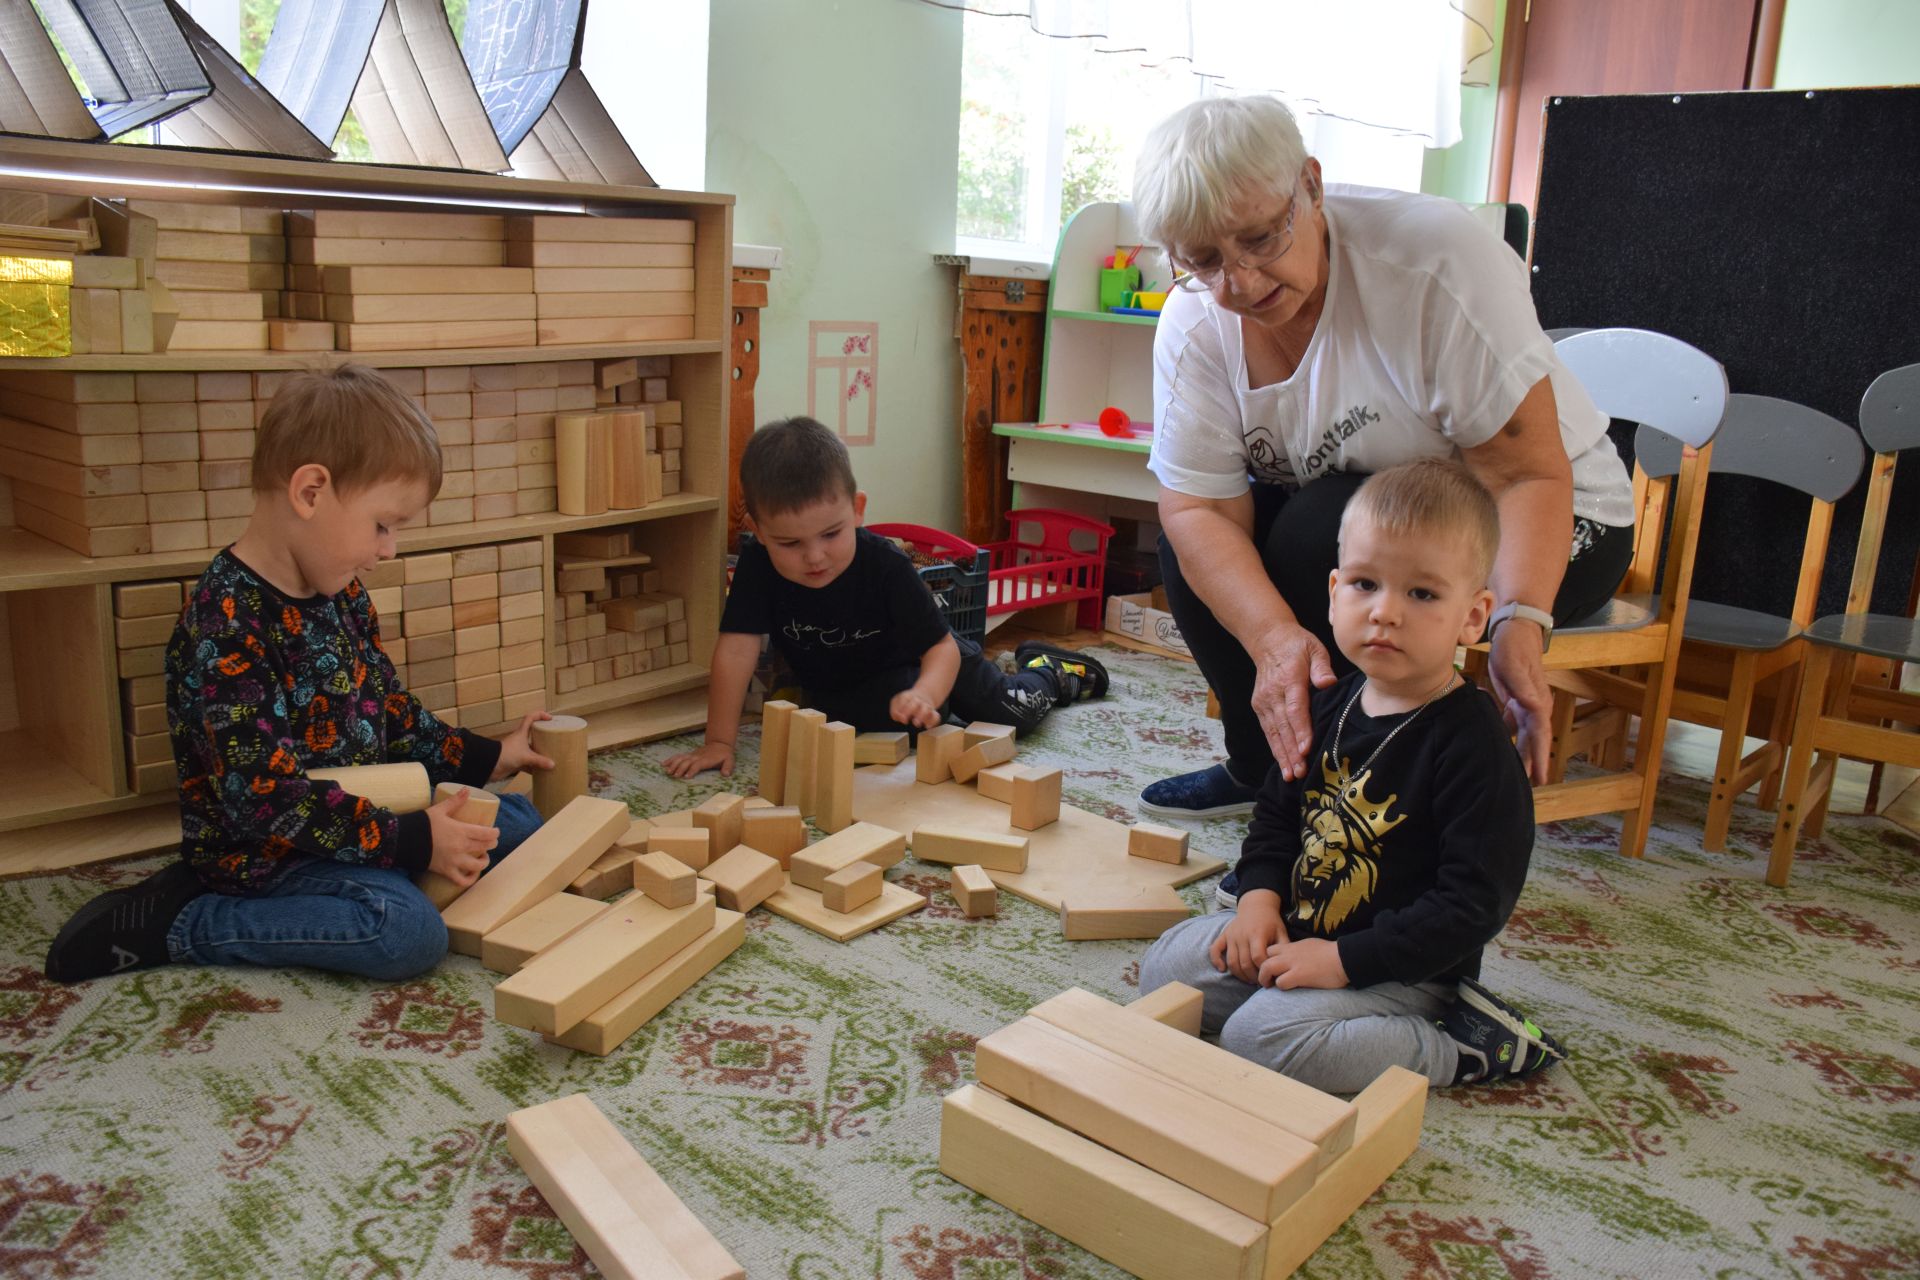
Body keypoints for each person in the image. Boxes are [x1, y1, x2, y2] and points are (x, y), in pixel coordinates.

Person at [1131, 95, 1635, 831]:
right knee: (1200, 539)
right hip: (1365, 509)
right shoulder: (1197, 319)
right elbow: (1198, 508)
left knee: (1324, 534)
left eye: (1262, 239)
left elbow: (1527, 473)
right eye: (1205, 260)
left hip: (1554, 514)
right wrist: (1274, 641)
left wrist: (1519, 620)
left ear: (1311, 185)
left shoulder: (1435, 263)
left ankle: (1350, 808)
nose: (1238, 283)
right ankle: (1266, 769)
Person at [44, 365, 555, 985]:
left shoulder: (340, 592)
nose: (389, 549)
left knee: (522, 824)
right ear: (311, 491)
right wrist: (413, 842)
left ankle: (396, 856)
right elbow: (267, 803)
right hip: (267, 854)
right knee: (404, 931)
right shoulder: (225, 625)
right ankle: (188, 922)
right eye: (383, 525)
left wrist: (486, 757)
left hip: (357, 814)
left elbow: (387, 709)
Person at [1140, 461, 1563, 1091]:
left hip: (1405, 971)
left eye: (1422, 594)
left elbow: (1472, 905)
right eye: (1365, 584)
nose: (1384, 612)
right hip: (1304, 932)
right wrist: (1258, 902)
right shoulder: (1330, 702)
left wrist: (1341, 961)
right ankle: (1298, 1003)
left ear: (1473, 618)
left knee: (1258, 1041)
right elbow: (1277, 818)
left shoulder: (1473, 746)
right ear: (1335, 590)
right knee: (1165, 967)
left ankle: (1465, 1046)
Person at [665, 416, 1107, 780]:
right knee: (854, 731)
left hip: (936, 662)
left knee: (1010, 714)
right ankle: (933, 706)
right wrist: (719, 741)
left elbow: (941, 649)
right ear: (759, 533)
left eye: (832, 534)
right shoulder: (757, 564)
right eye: (789, 544)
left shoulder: (886, 566)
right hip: (855, 684)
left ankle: (1049, 672)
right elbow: (735, 650)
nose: (815, 557)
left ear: (857, 510)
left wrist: (928, 692)